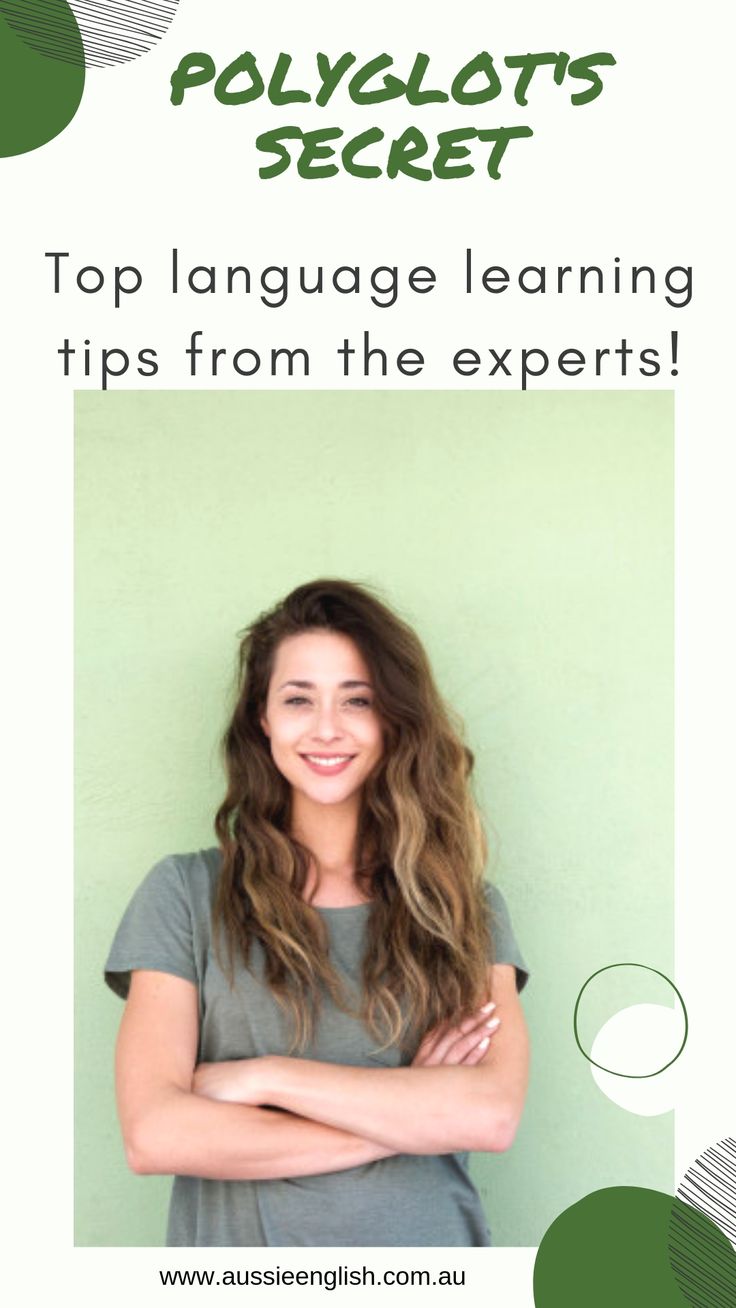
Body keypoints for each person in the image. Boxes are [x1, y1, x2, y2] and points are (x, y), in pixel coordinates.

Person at [105, 578, 530, 1247]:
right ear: (262, 718)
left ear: (393, 718)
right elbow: (155, 1134)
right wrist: (409, 1107)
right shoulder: (184, 894)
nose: (327, 728)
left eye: (357, 701)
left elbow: (490, 1116)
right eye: (298, 699)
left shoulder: (462, 909)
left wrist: (263, 1078)